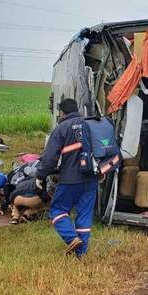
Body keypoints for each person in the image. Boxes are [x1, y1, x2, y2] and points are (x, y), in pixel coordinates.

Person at [36, 98, 97, 257]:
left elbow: (49, 159)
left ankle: (71, 238)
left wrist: (40, 175)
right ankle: (81, 253)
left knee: (57, 210)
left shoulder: (61, 128)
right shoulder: (91, 124)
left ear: (62, 112)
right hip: (91, 178)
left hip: (70, 179)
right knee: (84, 214)